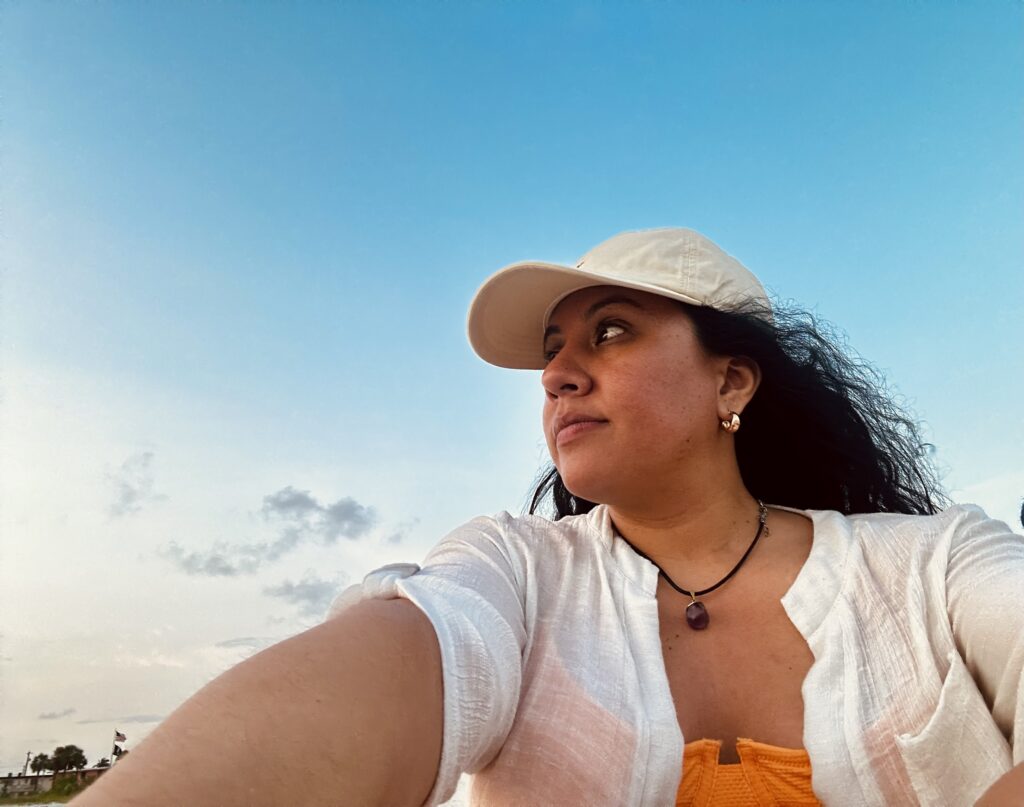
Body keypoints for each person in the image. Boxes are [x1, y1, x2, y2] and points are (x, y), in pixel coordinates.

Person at [74, 228, 1023, 807]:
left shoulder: (934, 566)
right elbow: (408, 656)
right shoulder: (515, 573)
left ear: (731, 379)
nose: (560, 371)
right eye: (553, 350)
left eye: (611, 330)